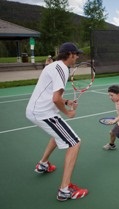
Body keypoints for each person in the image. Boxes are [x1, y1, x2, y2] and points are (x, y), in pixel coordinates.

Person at [25, 42, 88, 201]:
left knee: (58, 134)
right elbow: (55, 99)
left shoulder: (53, 66)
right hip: (43, 113)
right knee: (74, 143)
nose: (78, 57)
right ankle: (64, 190)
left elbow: (54, 96)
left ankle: (43, 164)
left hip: (37, 110)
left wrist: (66, 102)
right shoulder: (62, 70)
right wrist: (68, 112)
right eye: (76, 54)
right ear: (70, 54)